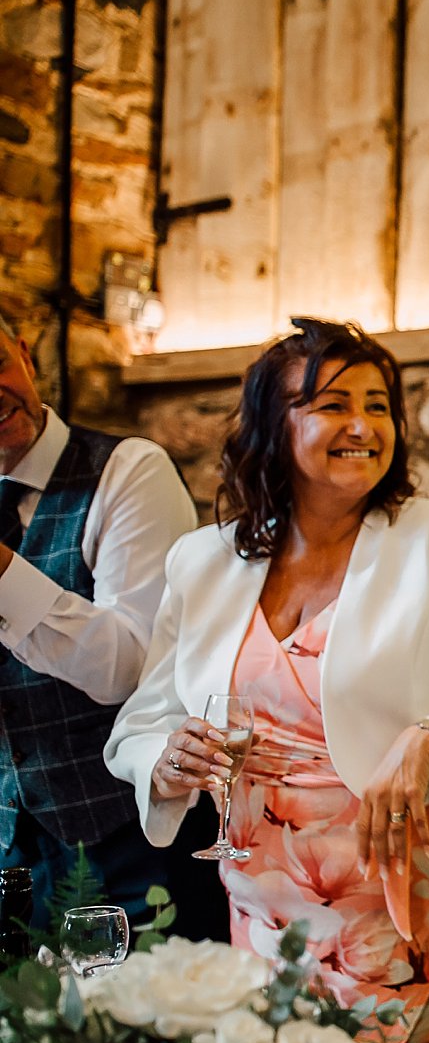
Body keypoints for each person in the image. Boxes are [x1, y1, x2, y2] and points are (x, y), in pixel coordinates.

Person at [105, 318, 429, 1043]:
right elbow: (142, 721)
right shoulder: (203, 561)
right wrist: (166, 758)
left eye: (378, 406)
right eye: (334, 405)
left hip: (407, 885)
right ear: (271, 424)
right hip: (260, 893)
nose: (363, 426)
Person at [0, 309, 209, 934]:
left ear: (26, 357)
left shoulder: (128, 471)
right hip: (11, 850)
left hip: (129, 837)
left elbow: (130, 667)